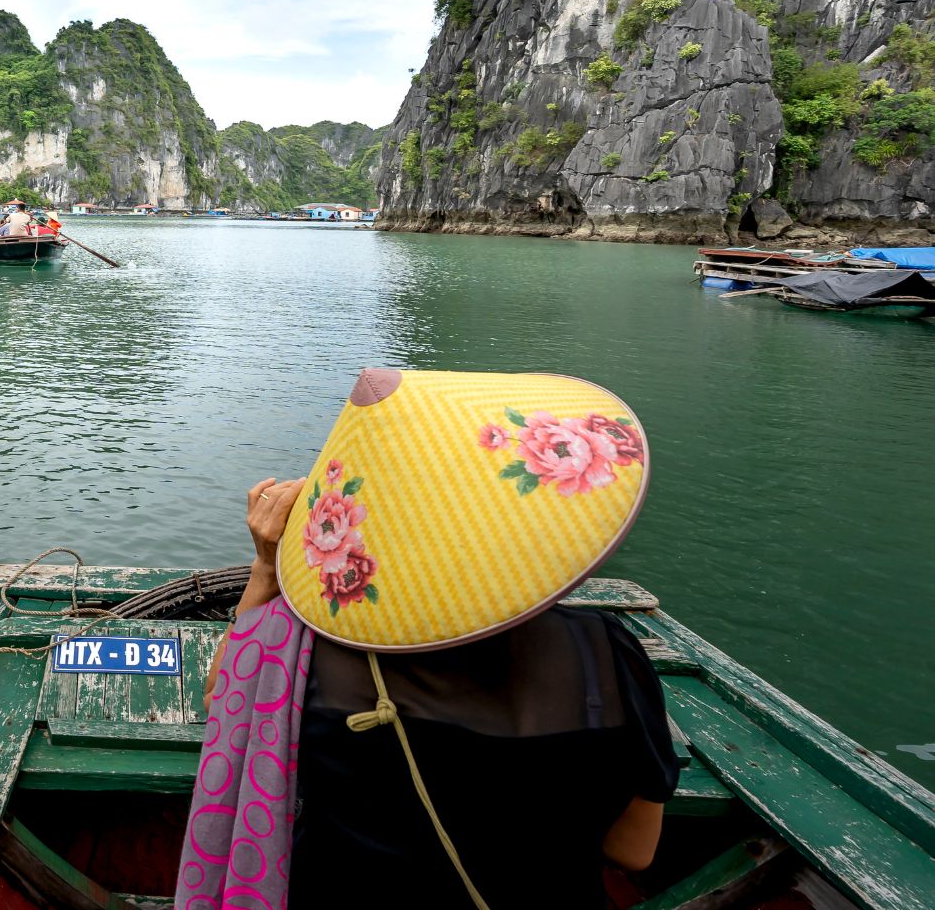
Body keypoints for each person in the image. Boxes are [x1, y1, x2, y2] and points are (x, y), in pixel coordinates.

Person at [182, 368, 676, 910]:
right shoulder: (606, 652)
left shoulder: (307, 644)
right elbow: (634, 851)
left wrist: (266, 568)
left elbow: (224, 702)